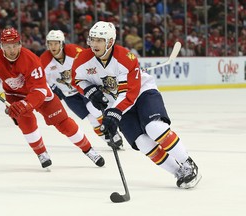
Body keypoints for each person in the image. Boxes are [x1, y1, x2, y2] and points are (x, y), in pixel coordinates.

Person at [72, 21, 202, 189]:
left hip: (142, 94)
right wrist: (89, 91)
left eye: (99, 40)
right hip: (115, 103)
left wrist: (113, 113)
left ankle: (187, 163)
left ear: (110, 42)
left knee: (154, 128)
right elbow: (77, 80)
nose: (94, 44)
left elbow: (129, 94)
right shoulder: (82, 59)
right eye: (92, 39)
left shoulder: (125, 58)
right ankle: (178, 172)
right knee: (142, 142)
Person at [0, 27, 105, 169]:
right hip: (14, 96)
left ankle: (88, 150)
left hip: (40, 94)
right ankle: (41, 153)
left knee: (63, 122)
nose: (12, 50)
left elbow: (39, 90)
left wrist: (25, 105)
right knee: (26, 124)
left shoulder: (31, 59)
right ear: (1, 46)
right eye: (7, 46)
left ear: (20, 44)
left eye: (14, 45)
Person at [40, 30, 123, 149]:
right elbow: (41, 80)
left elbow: (90, 60)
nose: (53, 46)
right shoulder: (44, 60)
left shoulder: (73, 51)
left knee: (94, 110)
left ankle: (113, 132)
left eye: (56, 43)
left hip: (82, 87)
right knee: (92, 120)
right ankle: (108, 139)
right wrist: (52, 88)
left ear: (62, 43)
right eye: (50, 43)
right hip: (68, 95)